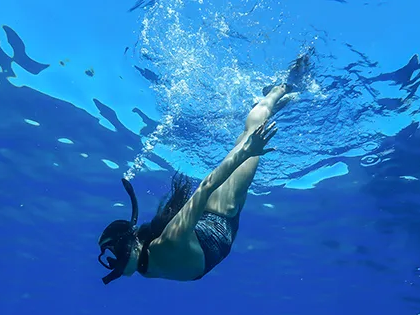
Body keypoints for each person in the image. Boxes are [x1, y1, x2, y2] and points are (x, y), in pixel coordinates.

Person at [96, 52, 313, 284]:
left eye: (113, 253)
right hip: (218, 232)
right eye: (111, 256)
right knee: (245, 138)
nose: (112, 262)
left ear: (129, 245)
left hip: (222, 210)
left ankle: (280, 88)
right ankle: (265, 108)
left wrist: (247, 152)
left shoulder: (170, 240)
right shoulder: (146, 269)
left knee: (252, 134)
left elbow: (207, 186)